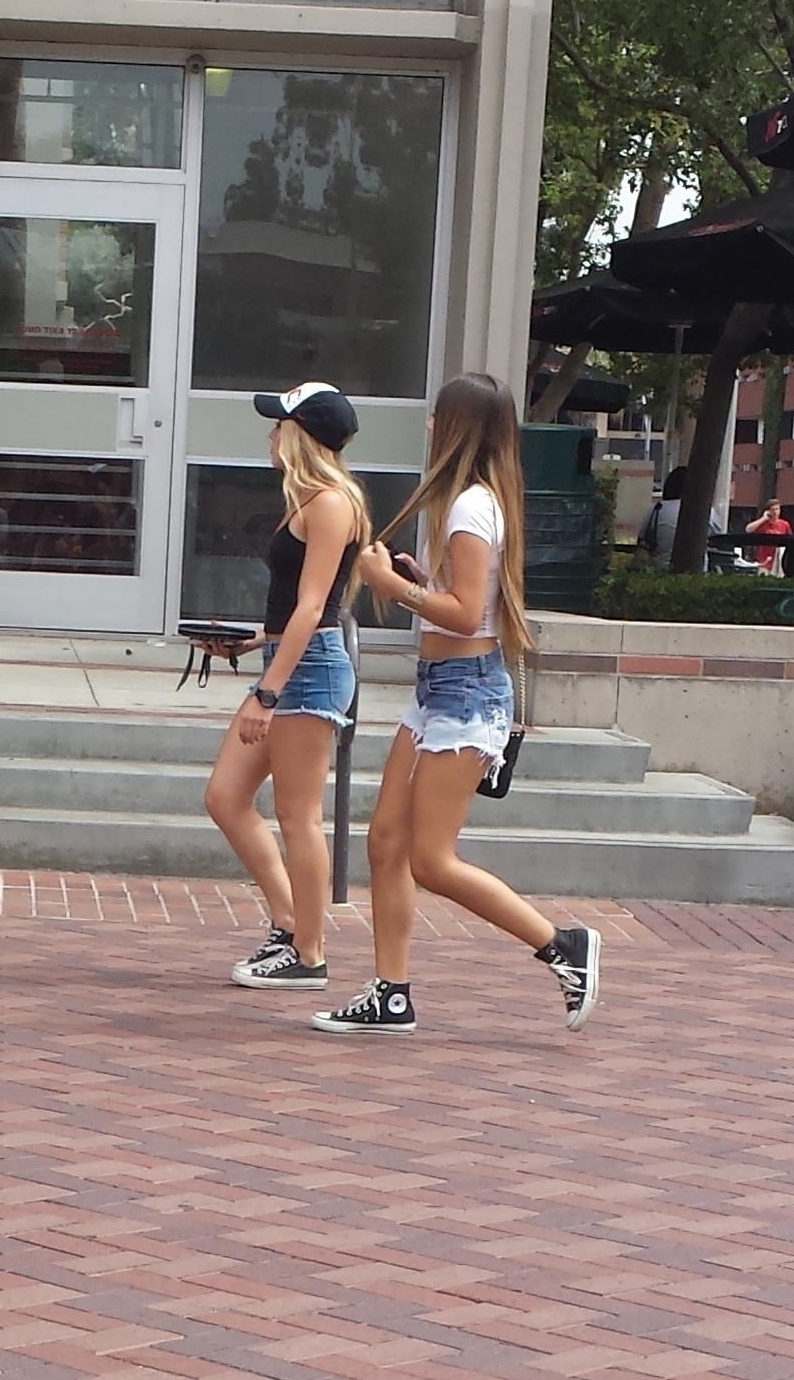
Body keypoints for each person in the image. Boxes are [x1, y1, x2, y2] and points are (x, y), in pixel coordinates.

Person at [313, 374, 598, 1038]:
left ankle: (563, 945)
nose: (427, 426)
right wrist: (421, 584)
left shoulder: (471, 507)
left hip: (466, 694)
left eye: (437, 417)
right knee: (385, 841)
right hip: (440, 689)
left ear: (456, 428)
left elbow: (468, 614)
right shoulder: (473, 502)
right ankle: (390, 993)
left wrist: (390, 586)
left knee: (431, 859)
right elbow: (467, 602)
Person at [205, 380, 371, 993]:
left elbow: (313, 609)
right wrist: (252, 641)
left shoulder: (329, 503)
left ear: (303, 436)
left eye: (280, 424)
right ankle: (290, 924)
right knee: (225, 796)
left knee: (299, 817)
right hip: (290, 659)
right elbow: (295, 609)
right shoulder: (308, 500)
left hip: (310, 670)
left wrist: (267, 693)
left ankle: (309, 952)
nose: (271, 434)